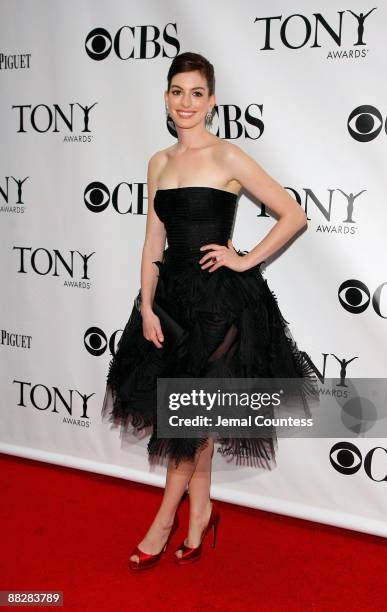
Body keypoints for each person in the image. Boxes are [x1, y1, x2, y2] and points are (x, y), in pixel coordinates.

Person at [101, 51, 318, 570]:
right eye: (178, 92)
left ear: (212, 100)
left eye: (197, 93)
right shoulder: (158, 162)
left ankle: (163, 522)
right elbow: (152, 240)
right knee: (196, 420)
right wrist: (147, 307)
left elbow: (294, 215)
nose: (187, 103)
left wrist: (244, 259)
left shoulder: (228, 158)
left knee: (190, 419)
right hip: (170, 307)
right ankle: (202, 516)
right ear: (166, 97)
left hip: (221, 308)